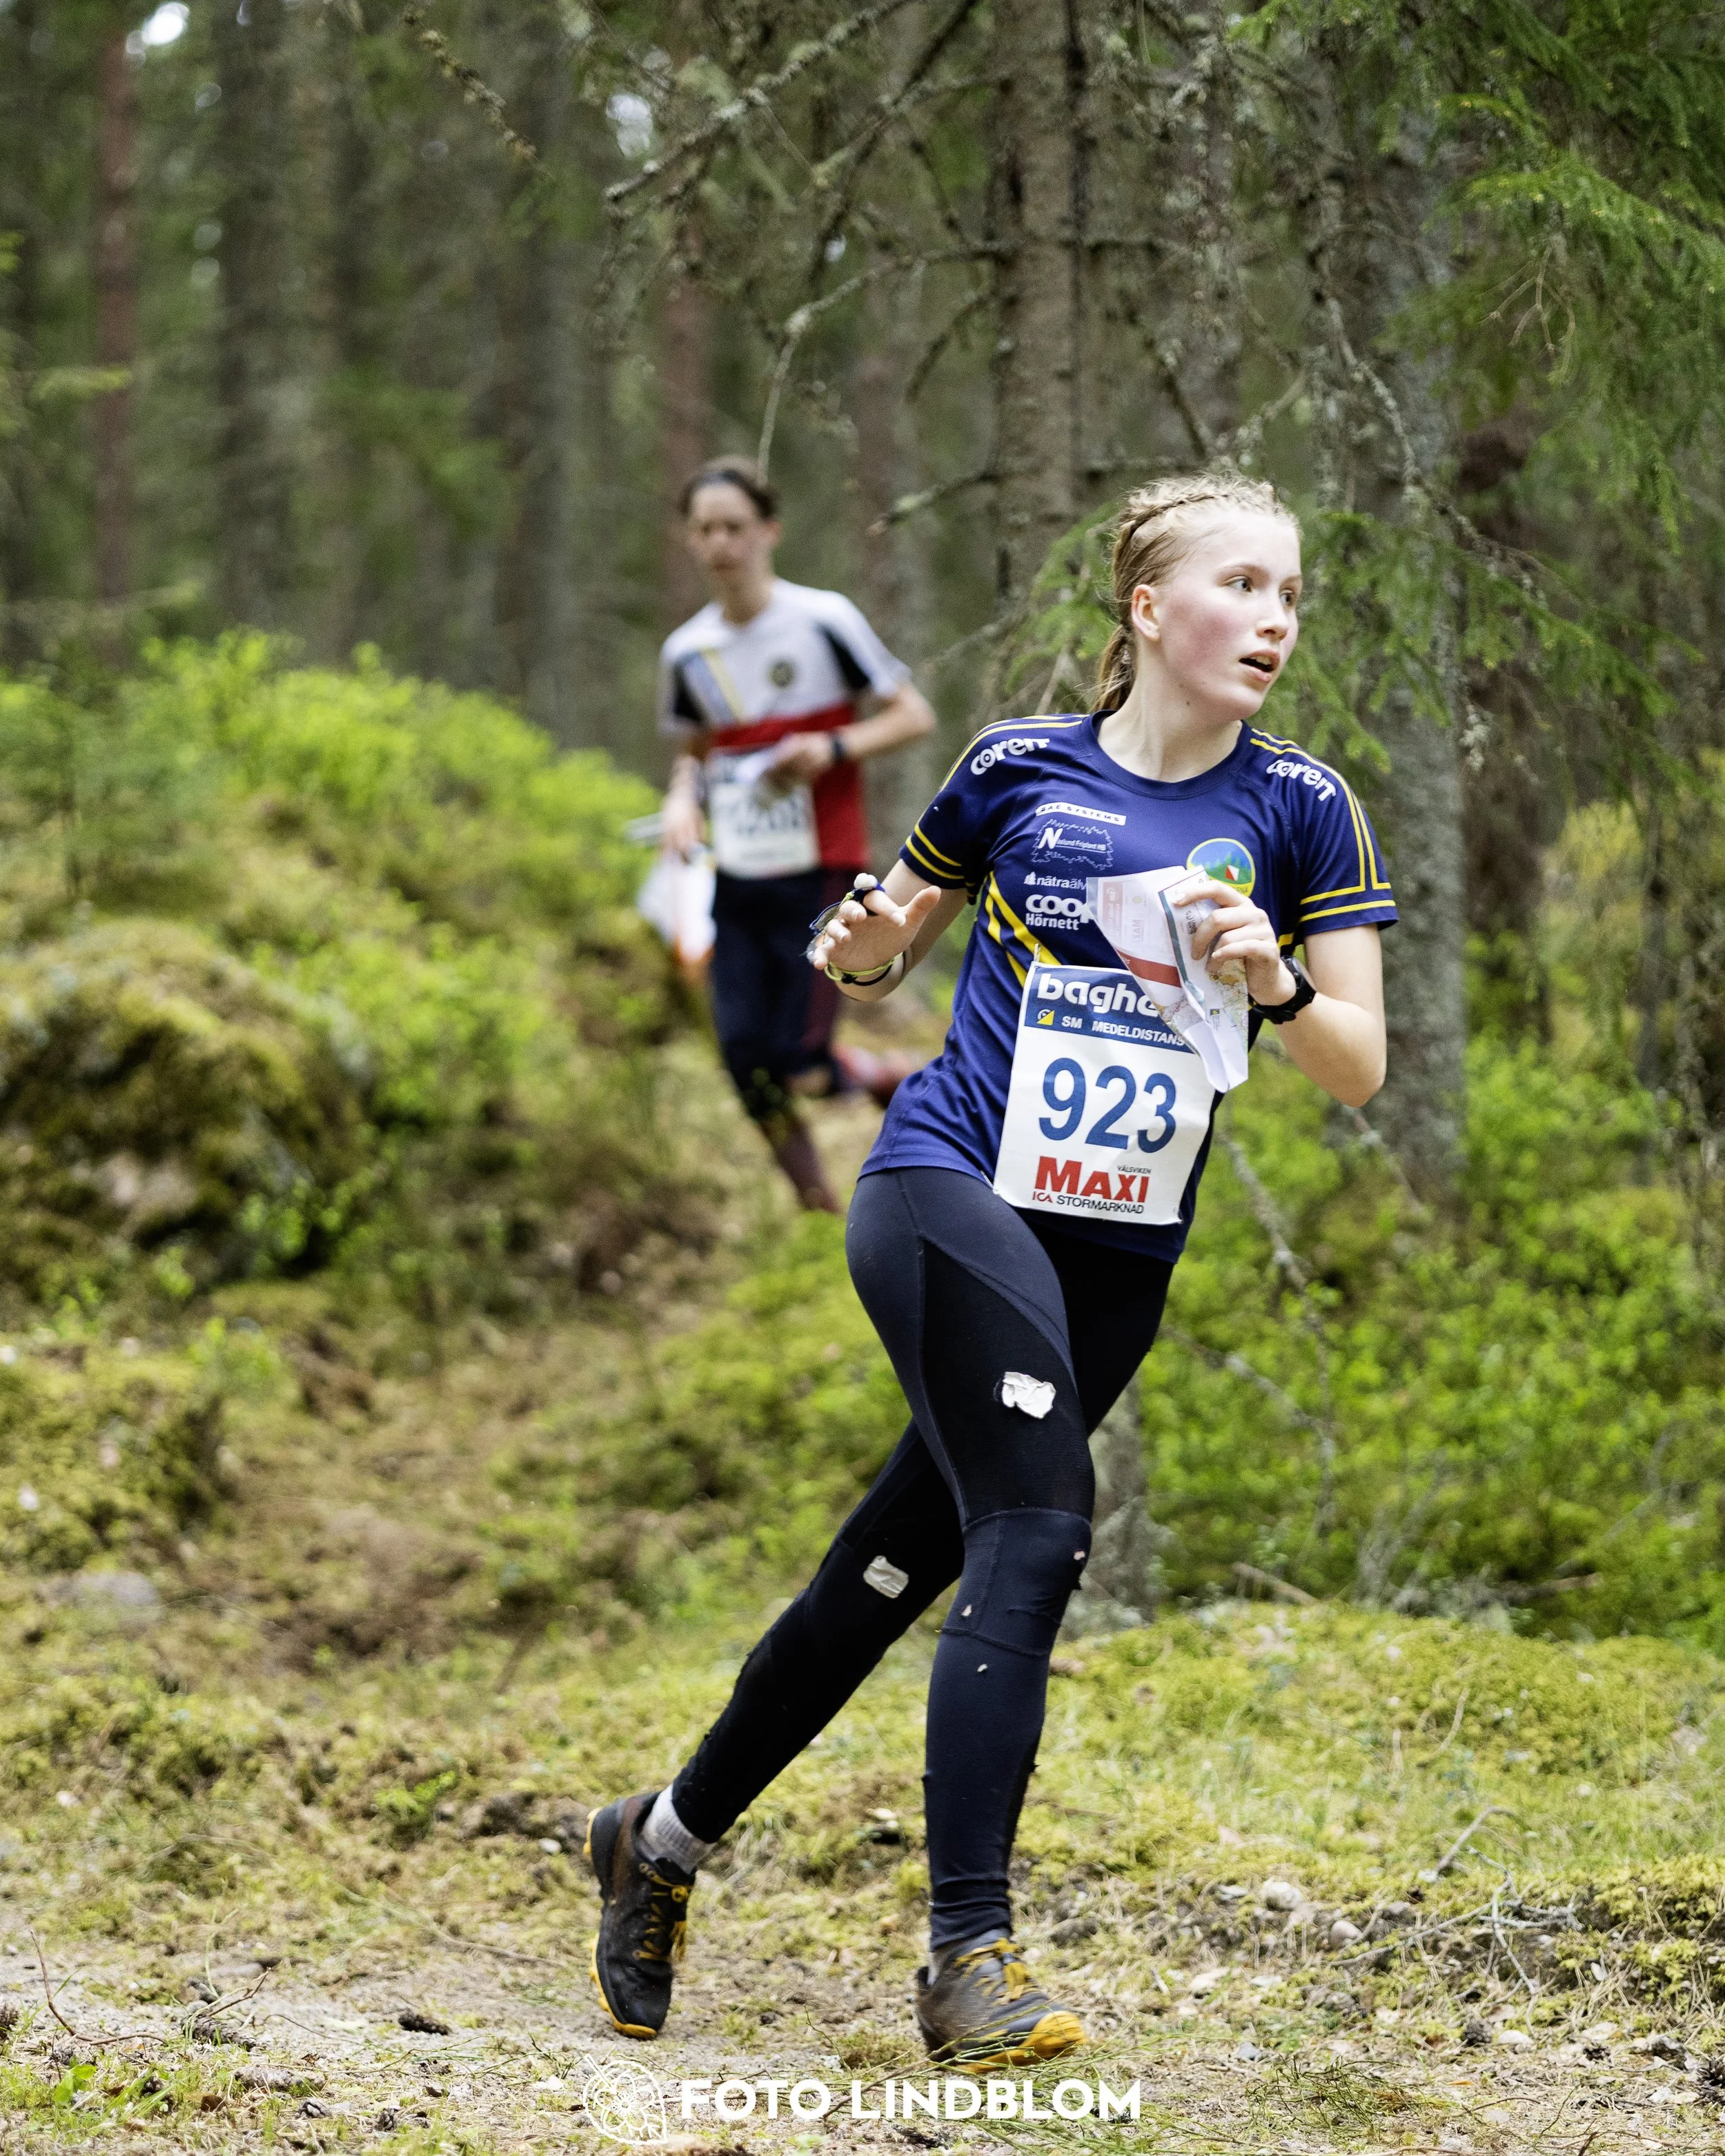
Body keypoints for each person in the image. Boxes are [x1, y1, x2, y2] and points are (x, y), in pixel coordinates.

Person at [589, 472, 1397, 2066]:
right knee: (1033, 1525)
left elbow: (1361, 1061)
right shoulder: (1020, 768)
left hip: (1114, 1254)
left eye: (1291, 592)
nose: (1276, 619)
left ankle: (658, 1838)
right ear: (1149, 611)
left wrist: (1276, 980)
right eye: (1242, 585)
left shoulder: (1305, 806)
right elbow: (890, 930)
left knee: (890, 1564)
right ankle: (969, 1961)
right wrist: (856, 945)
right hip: (947, 1182)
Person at [657, 457, 938, 1212]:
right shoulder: (688, 652)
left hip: (822, 865)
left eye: (734, 527)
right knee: (744, 1059)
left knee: (803, 1063)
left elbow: (913, 715)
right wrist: (682, 801)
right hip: (738, 874)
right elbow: (692, 754)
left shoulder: (822, 620)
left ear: (768, 532)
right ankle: (817, 1204)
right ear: (691, 539)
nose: (720, 544)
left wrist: (834, 748)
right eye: (704, 529)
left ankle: (901, 1079)